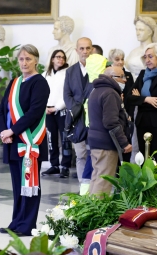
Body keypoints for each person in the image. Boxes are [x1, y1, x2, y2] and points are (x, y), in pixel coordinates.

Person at [0, 44, 50, 237]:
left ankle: (27, 225)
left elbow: (34, 113)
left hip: (30, 143)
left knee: (30, 185)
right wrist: (4, 131)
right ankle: (16, 222)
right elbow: (2, 109)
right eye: (21, 59)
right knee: (17, 185)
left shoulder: (40, 83)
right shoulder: (14, 83)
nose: (24, 62)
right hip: (13, 142)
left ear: (36, 60)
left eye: (28, 59)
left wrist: (12, 130)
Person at [88, 66, 132, 194]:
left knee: (97, 178)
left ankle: (89, 209)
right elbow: (111, 122)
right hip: (106, 143)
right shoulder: (110, 93)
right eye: (122, 77)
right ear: (112, 78)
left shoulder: (96, 91)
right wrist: (124, 143)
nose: (125, 80)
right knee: (104, 182)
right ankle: (97, 212)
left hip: (96, 141)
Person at [127, 43, 157, 163]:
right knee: (143, 159)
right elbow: (129, 97)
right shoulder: (143, 74)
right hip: (142, 122)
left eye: (150, 56)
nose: (147, 60)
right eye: (145, 57)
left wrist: (139, 99)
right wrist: (146, 99)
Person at [64, 37, 94, 185]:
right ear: (77, 51)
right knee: (81, 153)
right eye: (81, 48)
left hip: (94, 117)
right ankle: (83, 184)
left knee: (94, 152)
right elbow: (67, 94)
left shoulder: (99, 69)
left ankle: (95, 185)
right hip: (77, 118)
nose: (85, 52)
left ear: (92, 50)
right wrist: (75, 110)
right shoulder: (70, 71)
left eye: (88, 48)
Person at [42, 49, 72, 178]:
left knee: (65, 139)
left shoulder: (68, 73)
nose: (60, 59)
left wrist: (57, 107)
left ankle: (65, 166)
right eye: (58, 57)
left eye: (63, 57)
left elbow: (67, 93)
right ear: (52, 59)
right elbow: (41, 92)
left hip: (61, 110)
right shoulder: (45, 74)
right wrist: (44, 107)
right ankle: (54, 165)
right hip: (47, 111)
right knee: (51, 139)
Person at [108, 48, 135, 162]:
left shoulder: (128, 75)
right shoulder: (108, 73)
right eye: (117, 59)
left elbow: (132, 95)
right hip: (114, 113)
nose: (120, 62)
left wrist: (129, 114)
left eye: (122, 59)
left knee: (126, 142)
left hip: (126, 113)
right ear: (111, 60)